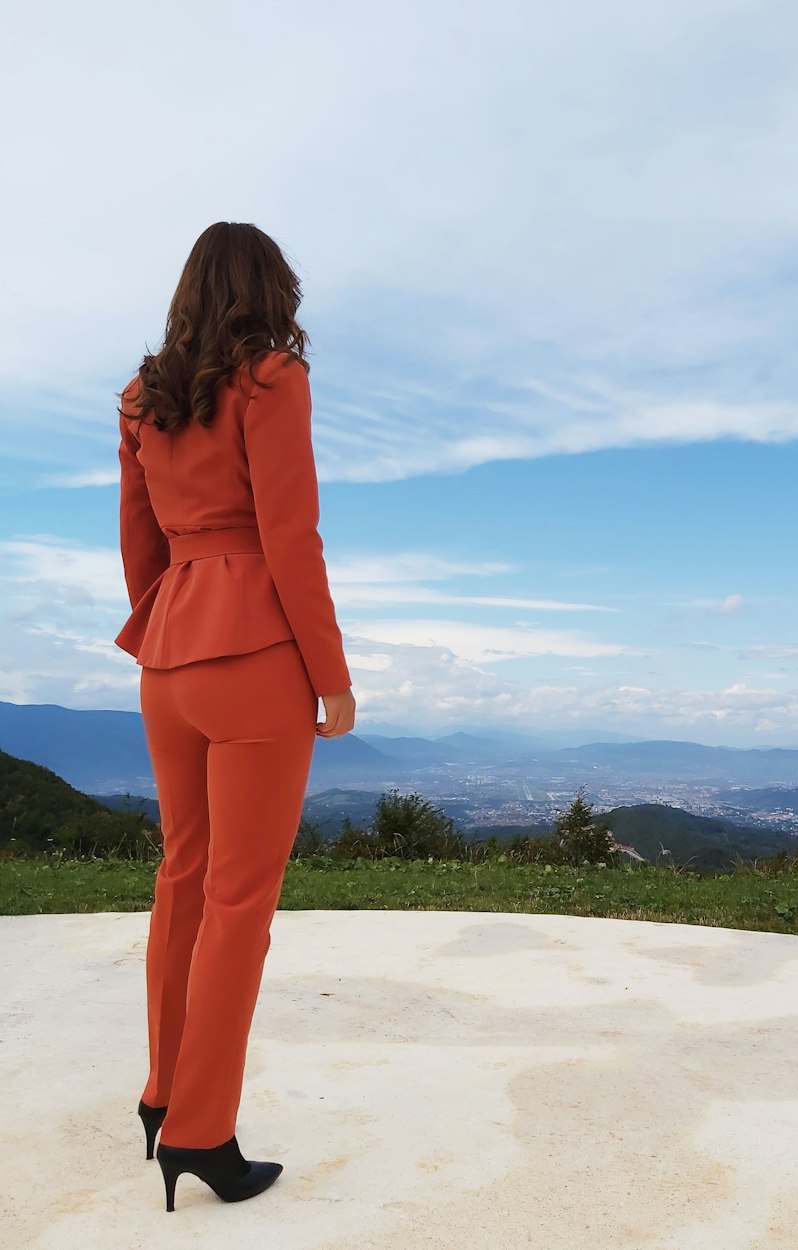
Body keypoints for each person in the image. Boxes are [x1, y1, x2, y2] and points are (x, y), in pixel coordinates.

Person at [114, 221, 356, 1212]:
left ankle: (162, 1093)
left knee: (183, 875)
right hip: (253, 649)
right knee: (238, 901)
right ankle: (203, 1130)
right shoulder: (269, 379)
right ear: (270, 290)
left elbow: (140, 541)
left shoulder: (143, 397)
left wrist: (161, 620)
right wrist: (331, 675)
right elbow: (290, 536)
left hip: (167, 651)